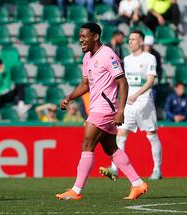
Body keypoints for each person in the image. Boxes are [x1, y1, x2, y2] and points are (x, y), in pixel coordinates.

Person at [55, 22, 148, 200]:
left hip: (106, 108)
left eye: (84, 36)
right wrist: (70, 97)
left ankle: (76, 190)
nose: (80, 40)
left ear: (95, 36)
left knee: (87, 144)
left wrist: (121, 110)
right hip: (97, 107)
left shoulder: (108, 55)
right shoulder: (87, 57)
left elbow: (122, 82)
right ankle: (138, 183)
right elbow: (85, 84)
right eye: (80, 36)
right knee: (111, 148)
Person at [99, 30, 163, 181]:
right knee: (120, 134)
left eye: (134, 39)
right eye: (129, 40)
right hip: (129, 104)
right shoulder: (126, 60)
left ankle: (157, 169)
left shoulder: (150, 58)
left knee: (152, 135)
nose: (130, 42)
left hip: (144, 103)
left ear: (141, 41)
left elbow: (150, 81)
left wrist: (136, 94)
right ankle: (115, 169)